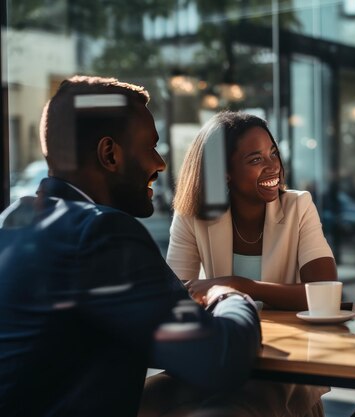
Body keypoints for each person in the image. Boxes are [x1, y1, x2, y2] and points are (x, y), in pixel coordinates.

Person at [0, 76, 261, 417]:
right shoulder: (100, 231)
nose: (160, 163)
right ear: (110, 154)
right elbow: (221, 360)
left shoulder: (15, 218)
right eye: (150, 146)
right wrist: (231, 295)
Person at [163, 111, 337, 416]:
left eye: (274, 153)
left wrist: (238, 285)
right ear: (224, 171)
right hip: (224, 351)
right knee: (146, 398)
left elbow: (325, 294)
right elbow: (176, 296)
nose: (273, 166)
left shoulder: (299, 206)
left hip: (287, 361)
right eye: (255, 159)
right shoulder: (191, 216)